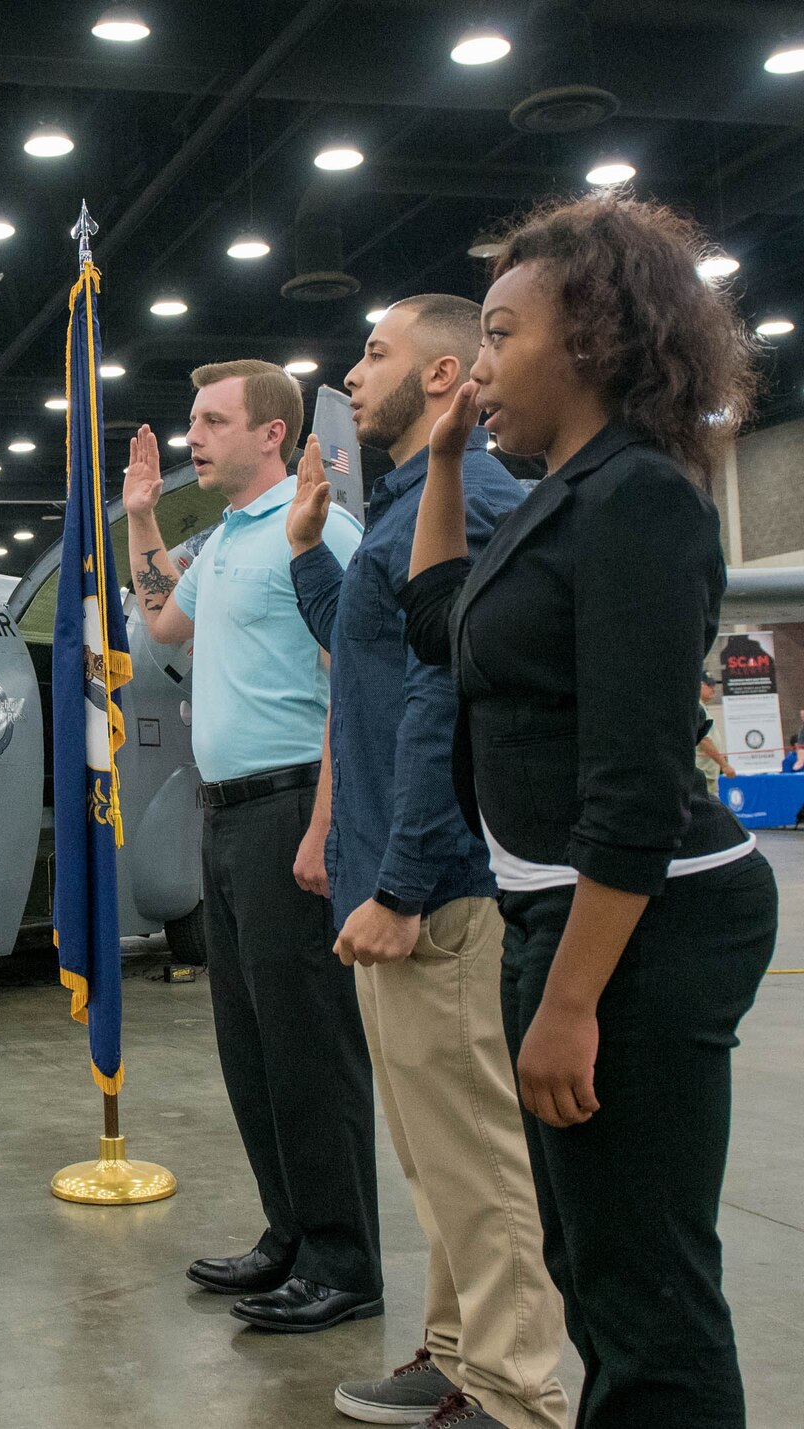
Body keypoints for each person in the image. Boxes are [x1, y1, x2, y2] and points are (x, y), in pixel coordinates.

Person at [402, 193, 774, 1428]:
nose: (481, 368)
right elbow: (434, 625)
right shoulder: (563, 496)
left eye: (501, 335)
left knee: (645, 1289)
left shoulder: (638, 504)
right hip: (558, 915)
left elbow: (634, 790)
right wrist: (446, 459)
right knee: (589, 1265)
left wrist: (568, 1006)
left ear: (593, 341)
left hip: (641, 928)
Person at [289, 296, 566, 1429]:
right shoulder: (405, 507)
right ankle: (456, 1358)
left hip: (441, 891)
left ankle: (514, 1394)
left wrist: (402, 883)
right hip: (397, 879)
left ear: (443, 375)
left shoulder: (467, 503)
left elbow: (445, 702)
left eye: (374, 354)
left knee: (479, 1161)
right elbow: (370, 650)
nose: (352, 377)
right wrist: (309, 556)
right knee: (437, 1157)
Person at [122, 360, 381, 1333]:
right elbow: (161, 620)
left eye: (211, 420)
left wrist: (323, 823)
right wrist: (143, 512)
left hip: (289, 811)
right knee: (252, 1046)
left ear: (269, 433)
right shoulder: (227, 539)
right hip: (224, 815)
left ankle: (344, 1258)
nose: (192, 434)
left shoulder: (313, 529)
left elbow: (349, 683)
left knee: (310, 1048)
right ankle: (291, 1232)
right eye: (191, 418)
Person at [695, 674, 734, 791]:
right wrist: (724, 765)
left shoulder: (702, 707)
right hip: (703, 773)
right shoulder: (698, 708)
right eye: (710, 685)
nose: (713, 689)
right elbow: (704, 740)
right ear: (700, 685)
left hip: (707, 774)